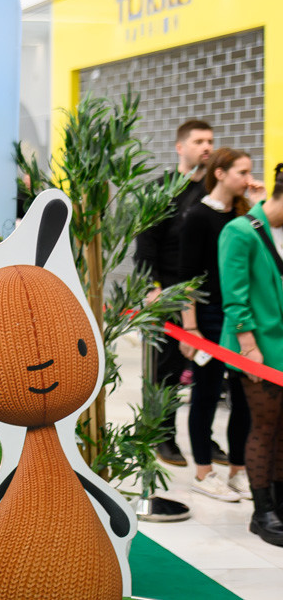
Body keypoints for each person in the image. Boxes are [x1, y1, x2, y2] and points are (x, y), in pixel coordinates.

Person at [177, 148, 256, 502]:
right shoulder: (197, 216)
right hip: (208, 317)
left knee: (243, 396)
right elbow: (188, 278)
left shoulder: (245, 215)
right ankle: (203, 472)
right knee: (206, 394)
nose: (248, 179)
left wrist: (257, 202)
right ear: (221, 173)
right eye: (242, 172)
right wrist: (190, 328)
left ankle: (238, 469)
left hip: (239, 316)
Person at [134, 119, 214, 466]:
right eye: (199, 141)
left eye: (210, 141)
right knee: (166, 373)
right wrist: (152, 290)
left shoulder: (214, 191)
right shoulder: (162, 189)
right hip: (168, 295)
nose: (206, 147)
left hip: (208, 297)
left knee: (208, 374)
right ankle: (161, 435)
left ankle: (204, 439)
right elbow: (145, 247)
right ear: (180, 147)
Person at [219, 163, 283, 546]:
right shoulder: (240, 231)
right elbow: (234, 295)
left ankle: (279, 503)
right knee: (264, 426)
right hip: (256, 346)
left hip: (282, 345)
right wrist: (249, 348)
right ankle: (262, 512)